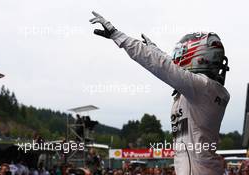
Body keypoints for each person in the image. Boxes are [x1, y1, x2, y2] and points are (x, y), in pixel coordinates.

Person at [89, 11, 230, 175]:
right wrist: (154, 49)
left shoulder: (202, 87)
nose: (177, 59)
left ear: (197, 55)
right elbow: (167, 65)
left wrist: (118, 36)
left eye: (181, 54)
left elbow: (163, 66)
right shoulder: (203, 90)